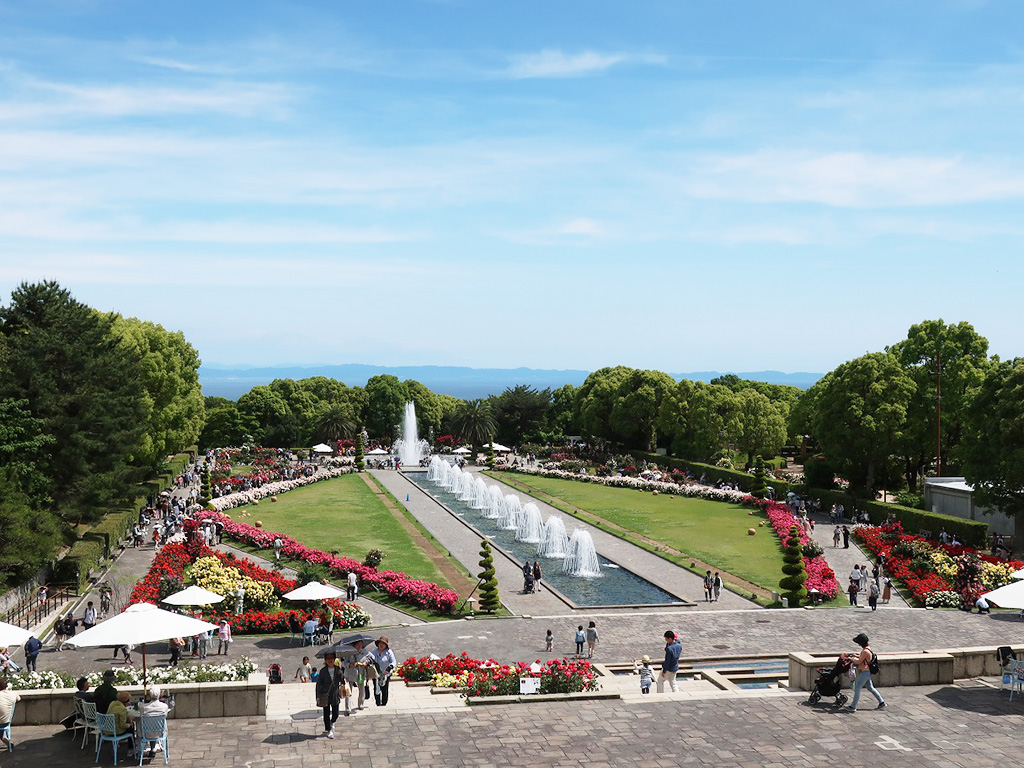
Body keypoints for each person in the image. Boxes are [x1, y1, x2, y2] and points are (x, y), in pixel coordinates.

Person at [847, 633, 885, 711]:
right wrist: (856, 655)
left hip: (865, 672)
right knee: (870, 688)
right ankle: (881, 702)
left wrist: (852, 659)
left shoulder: (865, 651)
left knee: (857, 688)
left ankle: (853, 706)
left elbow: (859, 661)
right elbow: (864, 658)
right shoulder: (868, 649)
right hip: (867, 672)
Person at [315, 652, 344, 737]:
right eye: (328, 658)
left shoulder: (337, 669)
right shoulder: (323, 671)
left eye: (331, 658)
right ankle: (328, 729)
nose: (330, 660)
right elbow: (318, 684)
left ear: (334, 659)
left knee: (336, 713)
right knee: (326, 713)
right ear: (325, 660)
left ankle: (332, 722)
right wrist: (318, 696)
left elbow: (342, 680)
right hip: (325, 694)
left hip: (335, 694)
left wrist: (341, 672)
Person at [369, 636, 397, 707]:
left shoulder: (389, 652)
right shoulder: (374, 651)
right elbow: (369, 658)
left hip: (385, 673)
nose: (381, 645)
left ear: (386, 645)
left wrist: (390, 667)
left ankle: (384, 703)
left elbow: (393, 662)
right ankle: (378, 703)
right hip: (376, 673)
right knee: (376, 687)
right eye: (380, 643)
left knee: (384, 688)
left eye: (383, 644)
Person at [0, 679, 20, 749]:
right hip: (6, 721)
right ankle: (7, 742)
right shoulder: (13, 694)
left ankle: (6, 740)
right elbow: (18, 698)